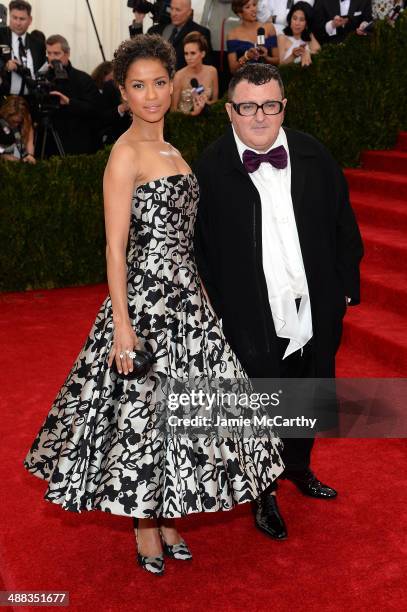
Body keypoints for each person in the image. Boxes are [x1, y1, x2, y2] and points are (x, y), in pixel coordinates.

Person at [23, 35, 284, 577]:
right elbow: (115, 248)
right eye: (138, 86)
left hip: (188, 302)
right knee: (144, 416)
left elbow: (186, 238)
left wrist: (204, 297)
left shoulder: (174, 150)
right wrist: (122, 327)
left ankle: (167, 517)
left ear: (174, 84)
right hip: (145, 303)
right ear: (122, 91)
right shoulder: (124, 153)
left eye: (159, 83)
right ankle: (144, 525)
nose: (151, 95)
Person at [194, 63, 363, 540]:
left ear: (283, 107)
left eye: (270, 105)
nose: (260, 117)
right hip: (250, 311)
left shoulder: (313, 154)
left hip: (313, 305)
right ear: (230, 111)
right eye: (248, 107)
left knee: (308, 390)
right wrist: (218, 309)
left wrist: (343, 289)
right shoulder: (211, 166)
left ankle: (298, 467)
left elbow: (343, 225)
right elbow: (200, 246)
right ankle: (262, 490)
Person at [35, 34, 101, 157]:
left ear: (67, 53)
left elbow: (95, 109)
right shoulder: (43, 79)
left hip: (76, 144)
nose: (52, 58)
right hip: (47, 142)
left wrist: (69, 102)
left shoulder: (83, 79)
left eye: (56, 54)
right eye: (49, 54)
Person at [148, 0, 213, 70]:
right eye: (171, 9)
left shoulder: (200, 32)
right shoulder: (155, 30)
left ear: (189, 12)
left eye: (178, 10)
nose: (173, 13)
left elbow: (206, 67)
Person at [0, 0, 46, 97]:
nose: (17, 23)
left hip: (30, 101)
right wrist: (5, 66)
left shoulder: (38, 44)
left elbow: (41, 73)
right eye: (14, 18)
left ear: (30, 20)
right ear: (9, 16)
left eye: (22, 19)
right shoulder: (1, 36)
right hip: (4, 100)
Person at [171, 31, 219, 115]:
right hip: (185, 123)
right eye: (186, 54)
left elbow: (215, 101)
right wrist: (193, 113)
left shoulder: (212, 71)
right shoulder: (179, 76)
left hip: (208, 122)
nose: (189, 58)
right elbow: (173, 110)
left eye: (193, 53)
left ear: (203, 54)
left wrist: (206, 103)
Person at [227, 0, 279, 75]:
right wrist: (246, 56)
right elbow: (233, 69)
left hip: (267, 77)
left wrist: (266, 57)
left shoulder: (269, 28)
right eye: (248, 7)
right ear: (240, 13)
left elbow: (277, 61)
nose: (253, 9)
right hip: (245, 80)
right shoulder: (233, 35)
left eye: (254, 5)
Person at [278, 2, 320, 66]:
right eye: (294, 18)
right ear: (290, 19)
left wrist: (308, 52)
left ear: (307, 23)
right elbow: (281, 65)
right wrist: (293, 55)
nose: (297, 23)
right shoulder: (282, 38)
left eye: (302, 20)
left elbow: (320, 54)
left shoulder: (309, 36)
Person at [0, 94, 35, 162]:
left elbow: (29, 141)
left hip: (12, 146)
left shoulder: (26, 118)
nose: (16, 125)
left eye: (18, 122)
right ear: (6, 115)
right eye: (13, 121)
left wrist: (29, 156)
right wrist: (3, 155)